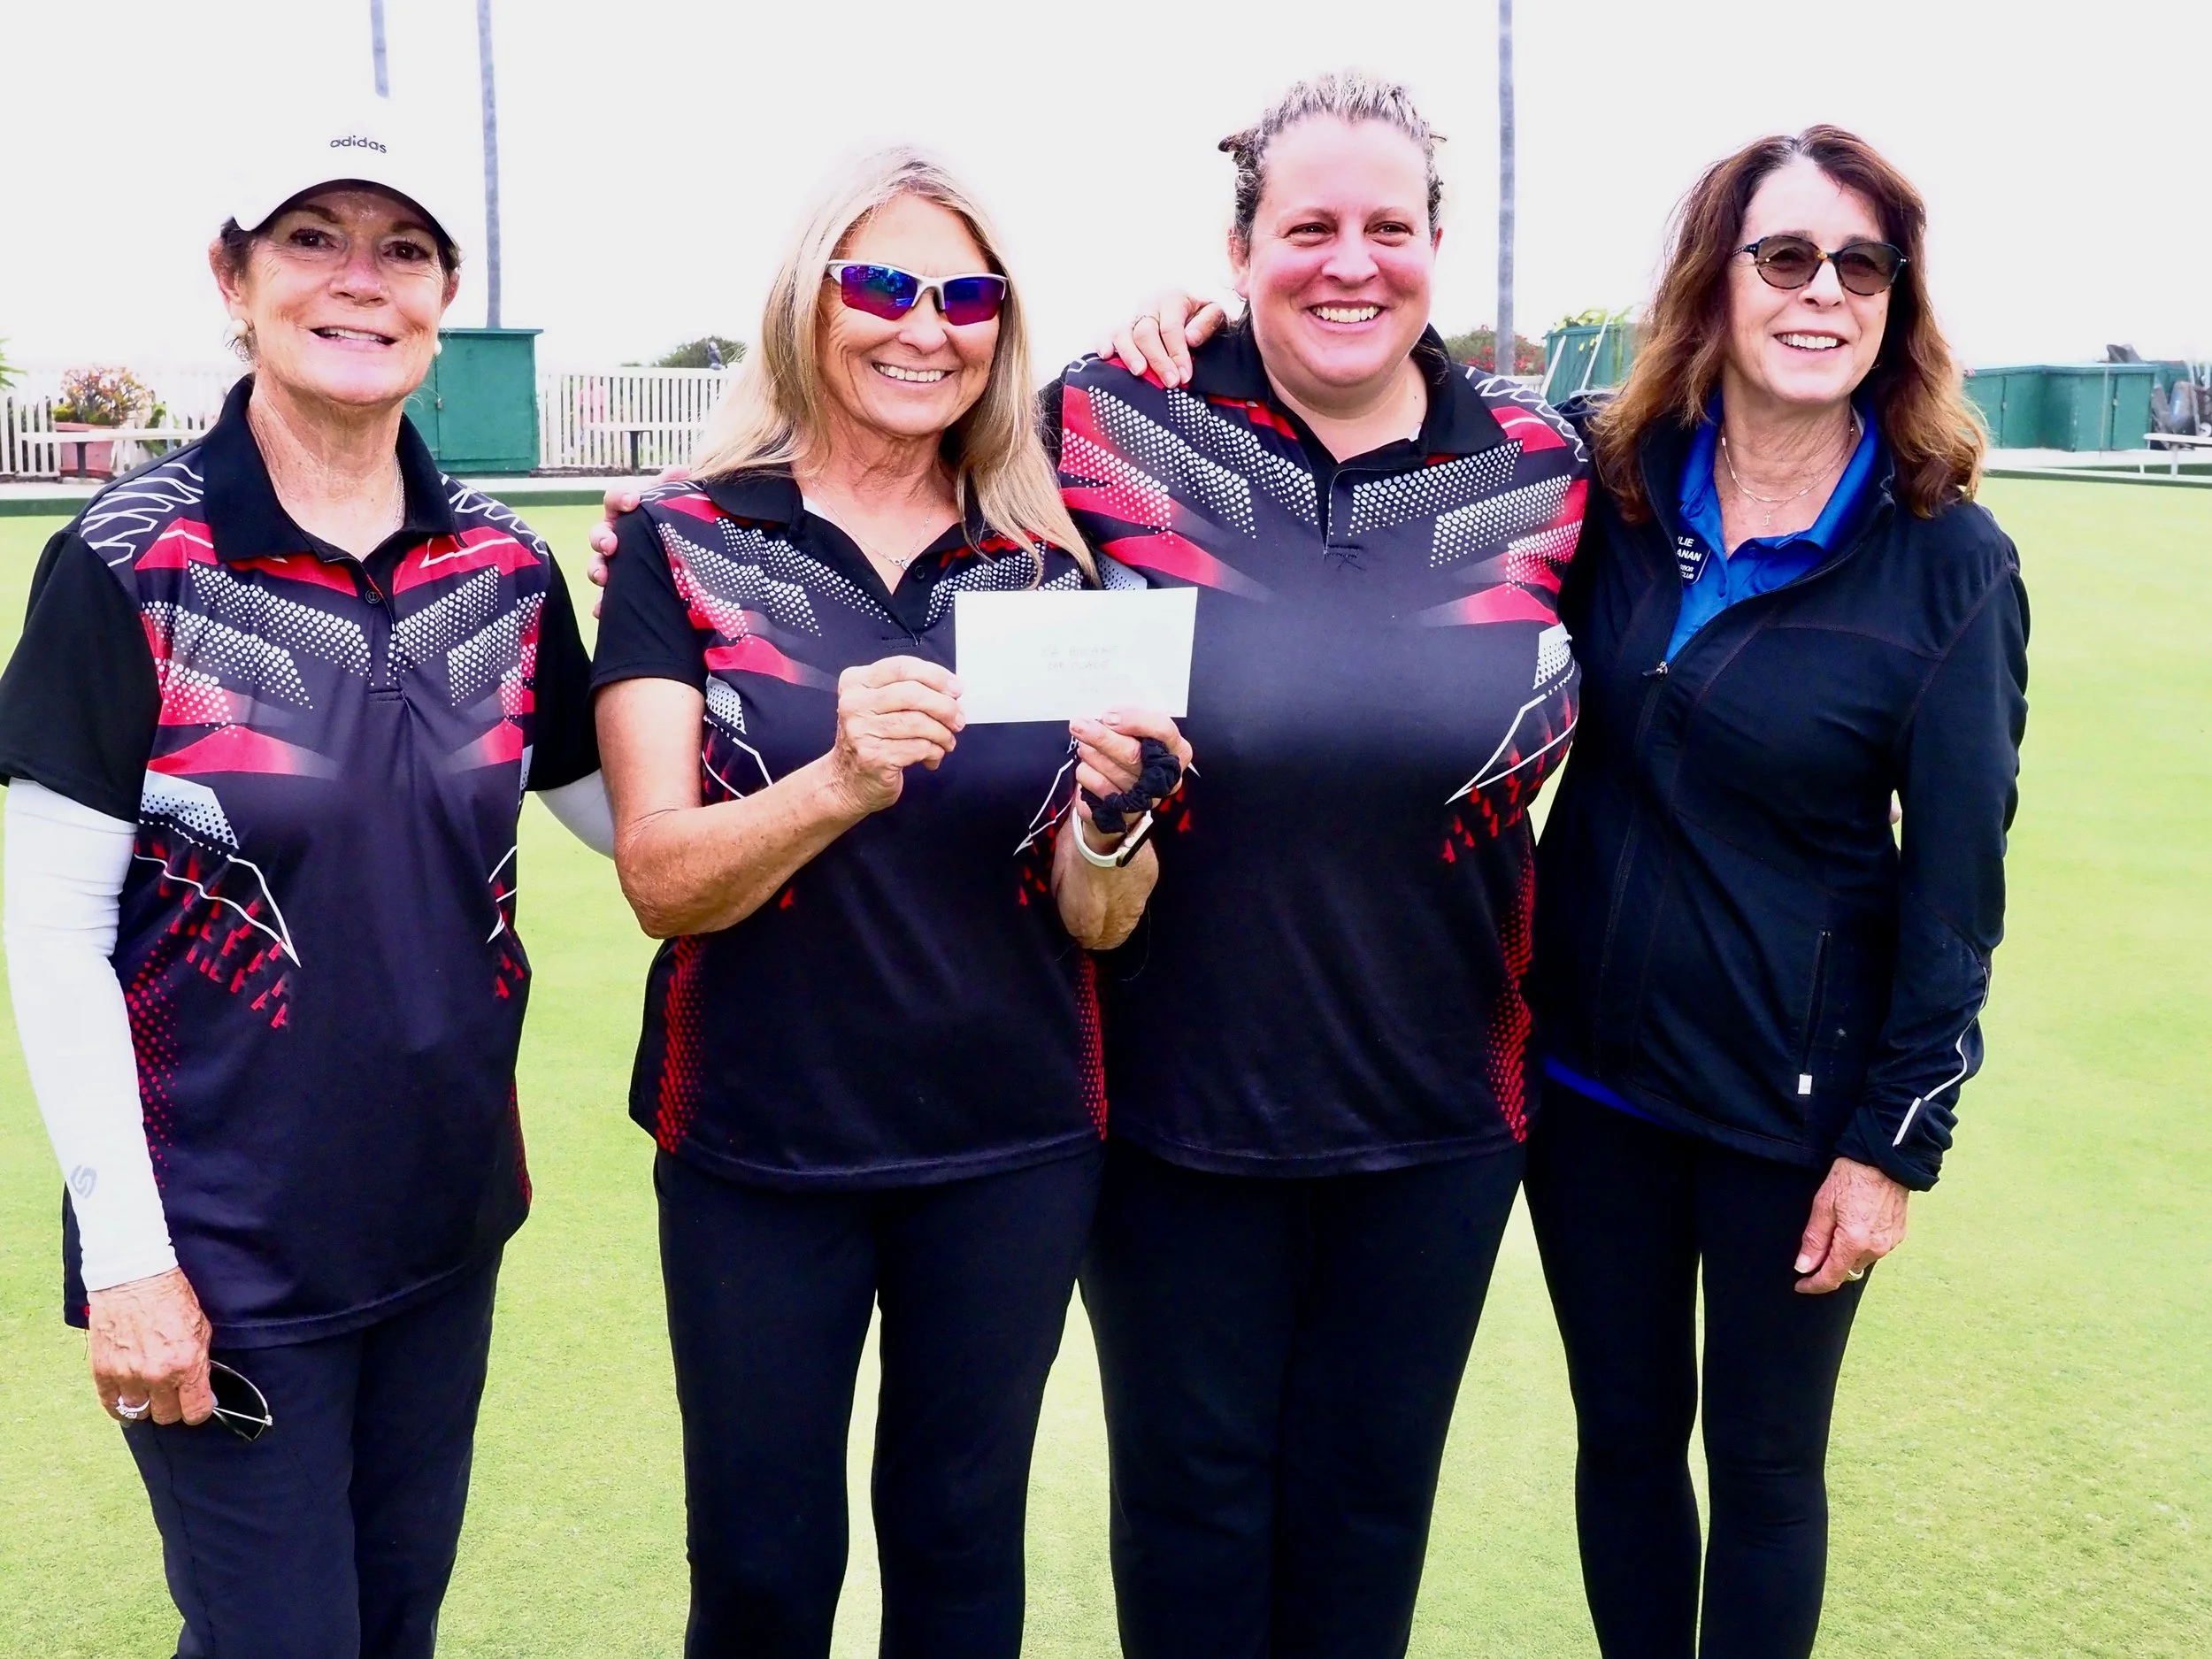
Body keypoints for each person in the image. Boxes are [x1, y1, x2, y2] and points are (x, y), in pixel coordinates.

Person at [0, 109, 611, 1658]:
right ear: (235, 278)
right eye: (313, 241)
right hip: (220, 1245)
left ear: (443, 293)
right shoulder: (130, 563)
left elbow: (628, 821)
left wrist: (715, 633)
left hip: (441, 1219)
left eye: (402, 249)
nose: (361, 281)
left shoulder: (503, 568)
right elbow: (56, 934)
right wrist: (130, 1258)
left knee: (389, 1627)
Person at [589, 150, 1186, 1659]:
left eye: (968, 294)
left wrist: (1115, 822)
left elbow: (1096, 918)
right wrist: (835, 783)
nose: (927, 326)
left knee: (961, 1557)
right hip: (756, 1149)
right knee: (764, 1571)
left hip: (1011, 1146)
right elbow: (660, 875)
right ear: (812, 304)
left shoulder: (1055, 567)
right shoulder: (685, 538)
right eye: (884, 286)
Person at [1043, 73, 1585, 1658]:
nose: (1352, 262)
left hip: (1439, 1118)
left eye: (1388, 228)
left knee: (1367, 1518)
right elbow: (880, 444)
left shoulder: (1549, 467)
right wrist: (666, 517)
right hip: (1166, 1111)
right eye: (1308, 228)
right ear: (1238, 243)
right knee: (1192, 1516)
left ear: (1437, 248)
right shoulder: (1109, 417)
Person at [1520, 128, 2027, 1658]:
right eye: (1787, 256)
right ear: (1717, 284)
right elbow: (1385, 399)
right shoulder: (1605, 492)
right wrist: (1187, 332)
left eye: (1863, 264)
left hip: (1790, 1114)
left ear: (1898, 299)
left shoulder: (1951, 565)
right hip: (1586, 1080)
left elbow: (1957, 897)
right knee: (1622, 1440)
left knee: (1761, 1465)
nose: (1825, 293)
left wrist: (1892, 1147)